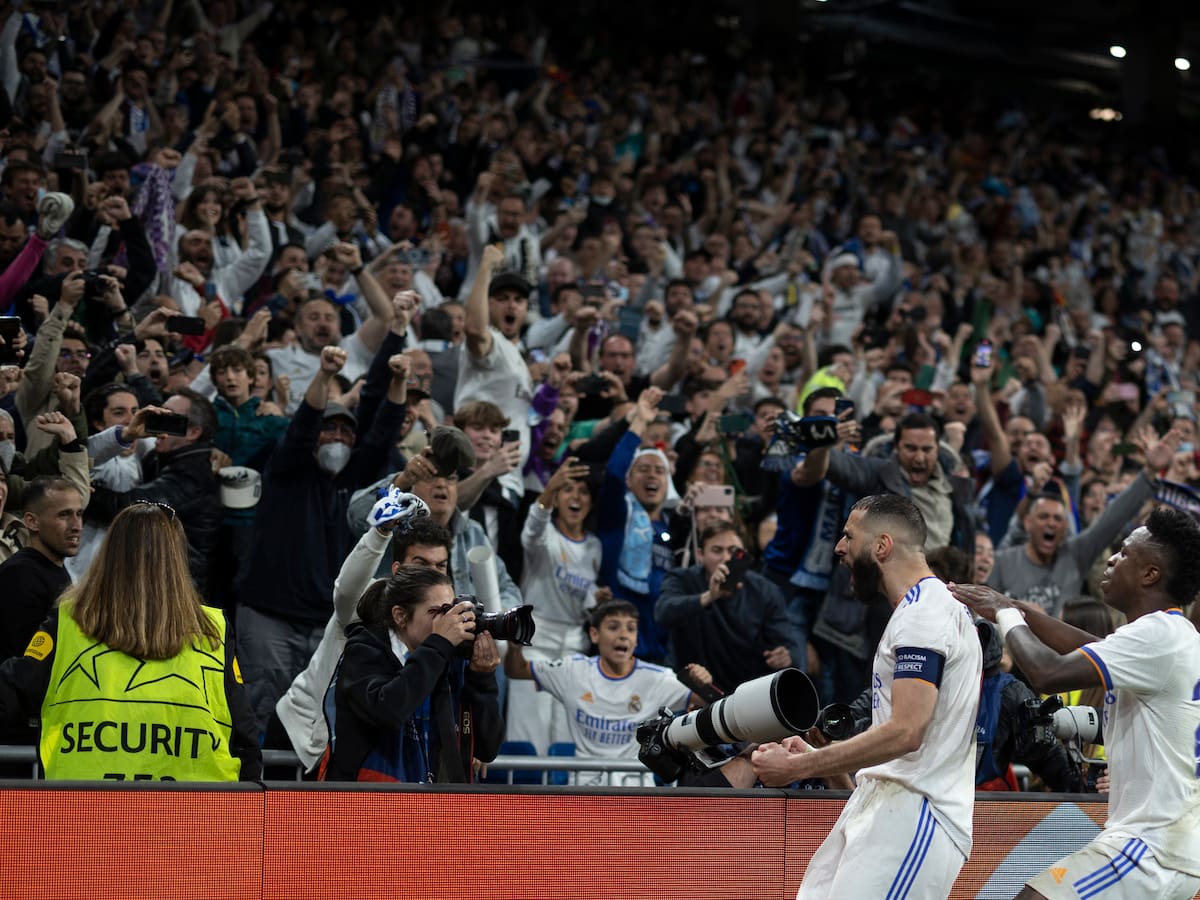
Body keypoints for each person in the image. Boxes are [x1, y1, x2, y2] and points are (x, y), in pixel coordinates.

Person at [952, 507, 1200, 900]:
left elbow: (1046, 671)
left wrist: (1004, 614)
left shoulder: (1156, 635)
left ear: (1150, 574)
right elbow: (1092, 646)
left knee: (1033, 897)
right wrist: (1016, 609)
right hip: (1173, 844)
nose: (1112, 559)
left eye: (1124, 553)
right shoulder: (1172, 634)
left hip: (1152, 846)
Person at [752, 494, 982, 899]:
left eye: (849, 536)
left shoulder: (925, 613)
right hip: (885, 808)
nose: (839, 548)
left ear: (882, 546)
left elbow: (907, 732)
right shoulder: (917, 610)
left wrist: (799, 766)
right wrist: (811, 757)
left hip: (916, 815)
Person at [0, 502, 261, 781]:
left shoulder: (67, 622)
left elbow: (10, 695)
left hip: (83, 813)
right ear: (176, 558)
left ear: (109, 553)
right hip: (193, 817)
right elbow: (244, 738)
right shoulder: (213, 631)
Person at [274, 503, 447, 771]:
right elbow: (345, 592)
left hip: (362, 746)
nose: (431, 575)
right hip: (302, 735)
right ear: (397, 570)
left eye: (440, 566)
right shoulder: (370, 598)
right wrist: (380, 532)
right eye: (421, 564)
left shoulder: (444, 619)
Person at [505, 600, 730, 787]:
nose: (623, 635)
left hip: (636, 789)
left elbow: (708, 702)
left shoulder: (658, 678)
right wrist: (514, 646)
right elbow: (516, 670)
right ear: (594, 634)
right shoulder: (572, 670)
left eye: (630, 629)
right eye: (614, 627)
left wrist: (703, 682)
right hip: (584, 790)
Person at [323, 565, 503, 782]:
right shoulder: (363, 653)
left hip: (431, 807)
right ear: (400, 616)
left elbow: (487, 749)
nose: (448, 622)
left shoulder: (449, 657)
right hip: (369, 803)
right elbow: (389, 710)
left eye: (450, 611)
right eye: (436, 612)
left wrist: (482, 679)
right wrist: (439, 646)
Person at [506, 457, 601, 754]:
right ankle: (520, 800)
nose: (576, 497)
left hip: (574, 647)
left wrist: (597, 600)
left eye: (583, 491)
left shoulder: (594, 546)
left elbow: (581, 594)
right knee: (528, 731)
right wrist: (550, 487)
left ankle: (564, 799)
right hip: (536, 640)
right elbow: (532, 529)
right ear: (556, 499)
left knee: (566, 733)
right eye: (567, 490)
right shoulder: (544, 536)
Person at [656, 521, 799, 691]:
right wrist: (710, 596)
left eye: (733, 551)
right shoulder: (681, 579)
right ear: (700, 555)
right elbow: (662, 612)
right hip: (690, 689)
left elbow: (789, 647)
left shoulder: (765, 591)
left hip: (745, 693)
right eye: (717, 550)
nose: (725, 558)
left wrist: (785, 657)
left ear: (744, 555)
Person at [0, 475, 82, 660]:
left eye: (79, 514)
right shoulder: (19, 577)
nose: (76, 525)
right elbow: (24, 665)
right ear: (32, 521)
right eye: (64, 515)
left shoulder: (52, 568)